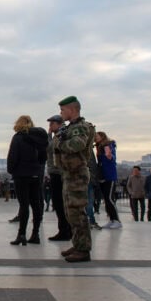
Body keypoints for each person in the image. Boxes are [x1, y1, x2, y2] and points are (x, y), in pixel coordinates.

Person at [53, 96, 95, 262]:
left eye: (63, 110)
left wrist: (60, 144)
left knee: (77, 211)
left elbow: (78, 144)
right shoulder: (71, 127)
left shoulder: (80, 127)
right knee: (71, 211)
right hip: (70, 173)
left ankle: (83, 249)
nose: (61, 113)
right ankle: (78, 244)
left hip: (77, 173)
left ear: (71, 110)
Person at [7, 115, 48, 245]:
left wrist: (12, 170)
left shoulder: (18, 137)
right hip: (35, 175)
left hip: (21, 175)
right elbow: (43, 157)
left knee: (24, 206)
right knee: (36, 205)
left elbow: (12, 157)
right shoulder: (39, 139)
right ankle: (35, 234)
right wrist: (36, 168)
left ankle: (22, 235)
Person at [45, 115, 72, 241]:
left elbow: (50, 148)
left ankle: (65, 231)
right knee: (59, 203)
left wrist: (48, 136)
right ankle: (66, 230)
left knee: (59, 203)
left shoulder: (61, 135)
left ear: (59, 124)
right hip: (57, 172)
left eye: (52, 124)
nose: (50, 126)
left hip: (58, 173)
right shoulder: (60, 134)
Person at [94, 132, 122, 229]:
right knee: (106, 199)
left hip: (109, 175)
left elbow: (111, 158)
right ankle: (112, 219)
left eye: (96, 136)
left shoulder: (108, 145)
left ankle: (117, 220)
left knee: (109, 198)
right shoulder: (99, 147)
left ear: (102, 137)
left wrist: (109, 156)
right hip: (103, 175)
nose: (95, 138)